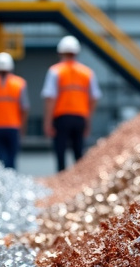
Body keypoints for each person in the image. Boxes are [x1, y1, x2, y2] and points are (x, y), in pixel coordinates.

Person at [41, 35, 101, 172]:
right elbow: (94, 98)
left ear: (60, 52)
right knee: (78, 154)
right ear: (77, 52)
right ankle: (79, 180)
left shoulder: (55, 71)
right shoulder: (87, 72)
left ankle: (62, 180)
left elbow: (50, 98)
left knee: (60, 152)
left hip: (61, 118)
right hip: (80, 117)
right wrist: (88, 120)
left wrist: (47, 122)